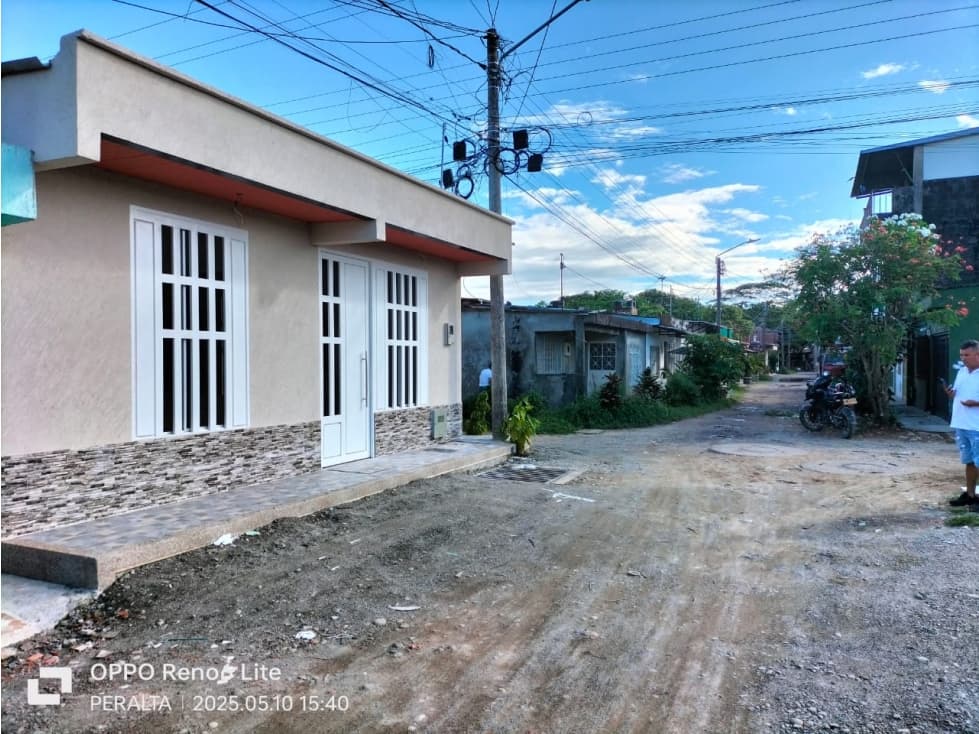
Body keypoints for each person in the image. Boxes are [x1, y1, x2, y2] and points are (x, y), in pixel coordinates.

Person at [945, 339, 979, 508]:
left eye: (967, 355)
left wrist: (976, 403)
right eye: (961, 355)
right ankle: (970, 495)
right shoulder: (962, 372)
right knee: (969, 462)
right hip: (962, 424)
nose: (964, 358)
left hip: (977, 426)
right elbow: (958, 394)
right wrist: (951, 394)